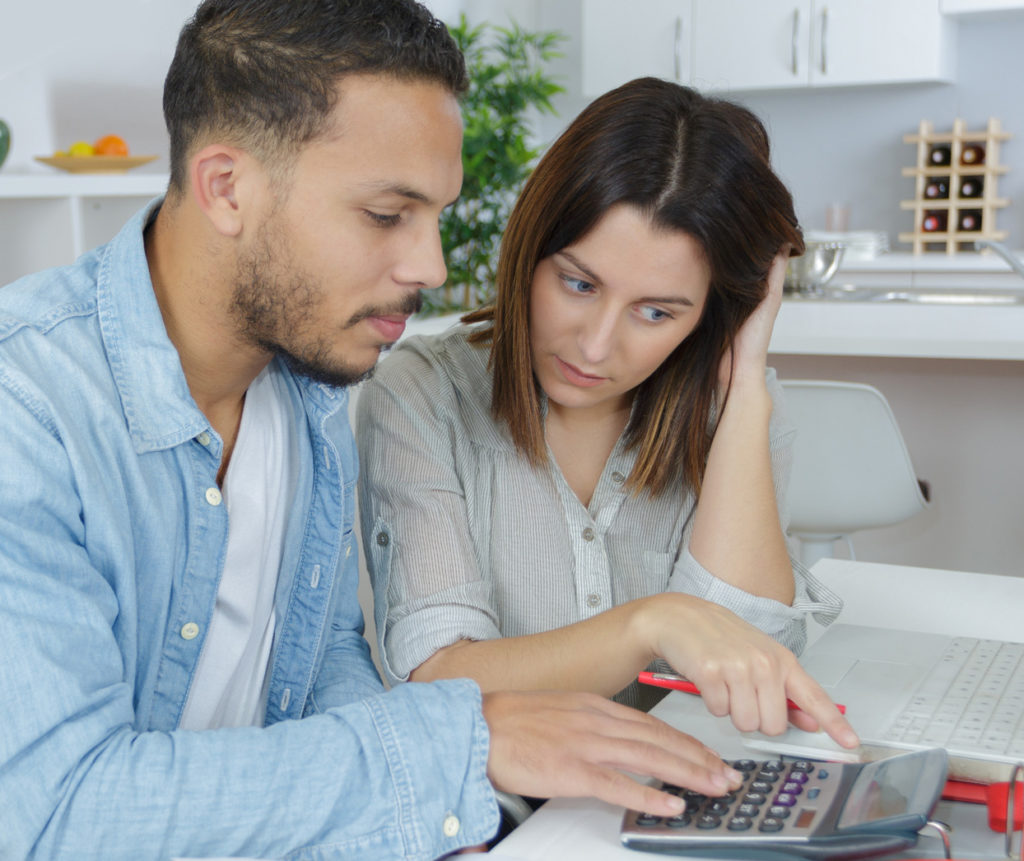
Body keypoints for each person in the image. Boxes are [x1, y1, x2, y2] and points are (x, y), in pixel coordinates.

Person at [0, 5, 783, 859]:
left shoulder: (305, 393)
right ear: (226, 187)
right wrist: (457, 750)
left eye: (436, 216)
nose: (433, 267)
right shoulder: (26, 409)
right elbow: (57, 815)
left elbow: (326, 668)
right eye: (385, 214)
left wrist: (444, 832)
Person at [356, 77, 858, 737]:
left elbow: (747, 660)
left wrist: (745, 380)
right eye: (577, 282)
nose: (595, 346)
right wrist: (651, 625)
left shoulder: (732, 406)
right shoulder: (421, 395)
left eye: (656, 311)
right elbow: (443, 681)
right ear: (529, 248)